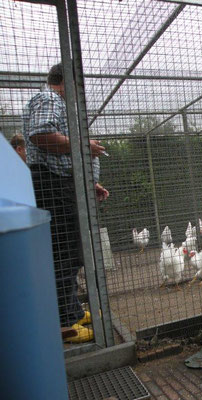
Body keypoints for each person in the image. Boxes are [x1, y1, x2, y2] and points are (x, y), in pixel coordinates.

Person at [22, 63, 109, 343]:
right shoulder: (49, 99)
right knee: (65, 250)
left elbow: (55, 148)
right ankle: (64, 321)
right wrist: (83, 145)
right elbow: (40, 135)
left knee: (69, 249)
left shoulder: (53, 101)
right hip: (52, 184)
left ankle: (70, 309)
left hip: (59, 182)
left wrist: (88, 183)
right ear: (67, 81)